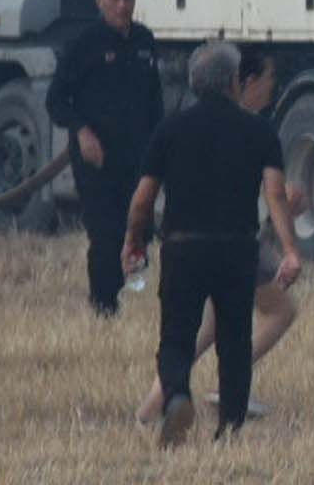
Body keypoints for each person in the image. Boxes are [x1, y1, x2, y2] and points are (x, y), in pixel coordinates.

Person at [123, 39, 303, 448]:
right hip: (237, 249)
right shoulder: (260, 131)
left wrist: (134, 241)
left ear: (193, 82)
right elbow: (276, 194)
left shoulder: (170, 129)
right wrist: (291, 250)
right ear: (234, 84)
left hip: (183, 246)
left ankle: (178, 397)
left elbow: (142, 199)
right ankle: (230, 429)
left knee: (176, 336)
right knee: (235, 341)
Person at [49, 0, 164, 318]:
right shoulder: (84, 44)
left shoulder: (145, 42)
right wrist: (81, 131)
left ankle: (133, 296)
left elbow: (154, 101)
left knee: (138, 229)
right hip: (96, 160)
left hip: (137, 157)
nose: (122, 5)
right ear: (100, 1)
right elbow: (56, 100)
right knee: (105, 233)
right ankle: (104, 306)